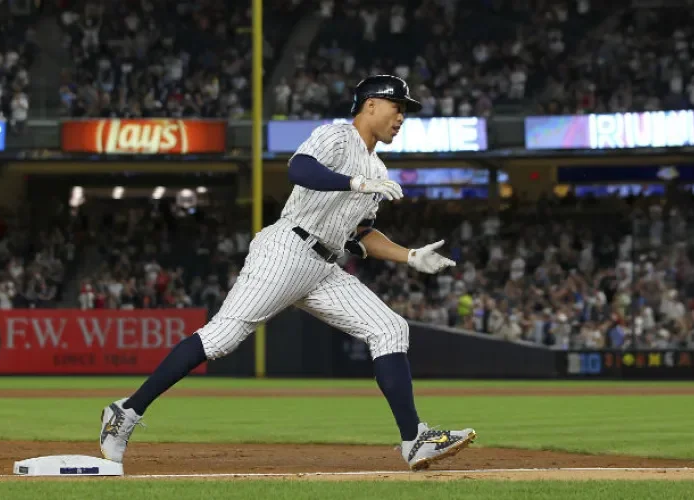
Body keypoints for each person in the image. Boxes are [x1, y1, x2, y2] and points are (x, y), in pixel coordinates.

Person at [99, 75, 477, 471]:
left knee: (390, 328)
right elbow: (299, 169)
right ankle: (124, 412)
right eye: (397, 107)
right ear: (370, 105)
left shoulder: (376, 166)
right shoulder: (337, 137)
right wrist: (356, 182)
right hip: (287, 249)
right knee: (222, 338)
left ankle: (413, 439)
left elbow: (359, 233)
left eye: (404, 110)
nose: (401, 117)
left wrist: (409, 255)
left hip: (323, 266)